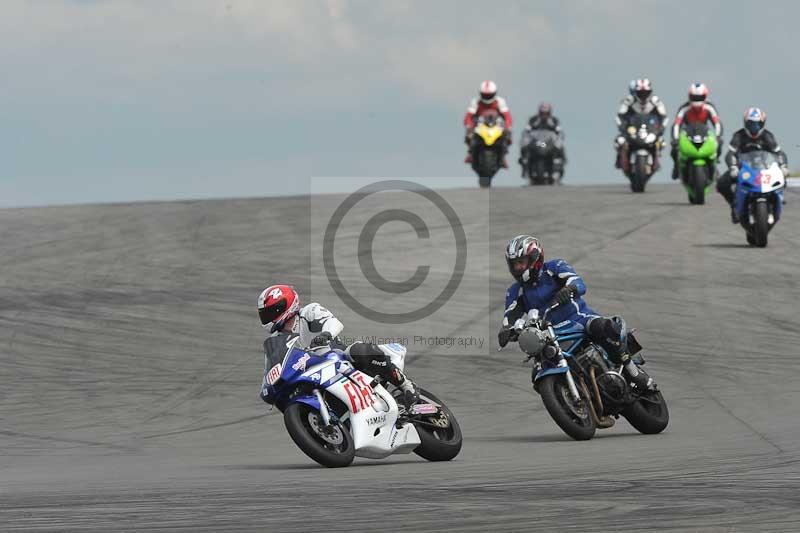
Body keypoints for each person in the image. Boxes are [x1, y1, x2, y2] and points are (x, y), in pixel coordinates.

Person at [497, 235, 654, 391]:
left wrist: (569, 289)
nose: (517, 268)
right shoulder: (515, 291)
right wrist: (506, 330)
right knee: (537, 377)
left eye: (520, 262)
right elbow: (509, 316)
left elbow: (577, 282)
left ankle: (632, 371)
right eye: (514, 264)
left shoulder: (553, 267)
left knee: (603, 327)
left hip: (578, 319)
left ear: (534, 259)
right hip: (548, 336)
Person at [257, 285, 419, 408]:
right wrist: (268, 387)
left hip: (338, 358)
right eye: (265, 314)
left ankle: (406, 385)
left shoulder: (309, 312)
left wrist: (325, 335)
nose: (268, 317)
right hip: (313, 374)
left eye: (272, 311)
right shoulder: (277, 340)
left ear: (285, 306)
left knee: (358, 350)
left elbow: (334, 323)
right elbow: (272, 367)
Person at [717, 107, 789, 223]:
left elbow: (779, 153)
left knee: (783, 178)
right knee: (721, 184)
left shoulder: (768, 136)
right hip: (743, 168)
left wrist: (783, 166)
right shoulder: (738, 136)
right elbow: (730, 154)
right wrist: (733, 167)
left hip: (765, 168)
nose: (754, 128)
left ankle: (778, 199)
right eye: (751, 124)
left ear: (763, 124)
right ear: (745, 123)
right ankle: (734, 205)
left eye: (757, 125)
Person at [670, 82, 723, 180]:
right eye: (694, 97)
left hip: (705, 133)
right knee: (674, 148)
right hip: (687, 134)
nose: (697, 100)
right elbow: (676, 125)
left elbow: (717, 123)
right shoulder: (684, 108)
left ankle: (714, 164)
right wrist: (675, 139)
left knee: (719, 143)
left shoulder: (709, 107)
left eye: (699, 97)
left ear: (705, 96)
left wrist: (718, 136)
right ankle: (676, 166)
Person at [614, 78, 668, 172]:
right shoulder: (629, 100)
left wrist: (661, 127)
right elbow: (620, 115)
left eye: (645, 93)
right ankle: (620, 159)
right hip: (633, 129)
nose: (643, 95)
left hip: (650, 129)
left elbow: (663, 116)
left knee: (661, 142)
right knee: (619, 141)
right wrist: (622, 126)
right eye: (640, 93)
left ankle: (656, 160)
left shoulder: (655, 101)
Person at [463, 80, 513, 167]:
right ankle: (471, 153)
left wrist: (507, 126)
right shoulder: (476, 102)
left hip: (496, 126)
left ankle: (503, 157)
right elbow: (468, 117)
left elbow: (507, 116)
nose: (487, 97)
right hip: (479, 126)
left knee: (507, 136)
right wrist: (469, 126)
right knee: (469, 136)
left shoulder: (500, 102)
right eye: (485, 95)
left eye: (489, 95)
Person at [519, 102, 566, 177]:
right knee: (525, 145)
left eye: (546, 113)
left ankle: (559, 162)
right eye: (542, 113)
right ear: (539, 112)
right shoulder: (533, 119)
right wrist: (528, 135)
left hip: (549, 142)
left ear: (549, 112)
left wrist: (557, 132)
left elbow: (559, 131)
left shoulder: (554, 120)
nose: (544, 115)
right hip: (538, 143)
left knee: (559, 146)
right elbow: (527, 130)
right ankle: (525, 163)